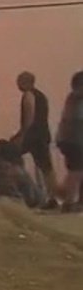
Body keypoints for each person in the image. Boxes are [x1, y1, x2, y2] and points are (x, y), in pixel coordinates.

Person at [11, 71, 60, 210]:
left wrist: (21, 135)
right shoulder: (41, 95)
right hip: (43, 134)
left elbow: (29, 117)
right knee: (46, 167)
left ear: (25, 82)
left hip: (33, 136)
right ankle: (52, 197)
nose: (17, 84)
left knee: (10, 155)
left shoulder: (28, 95)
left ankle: (24, 191)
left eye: (19, 81)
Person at [0, 139, 45, 208]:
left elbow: (31, 198)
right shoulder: (19, 171)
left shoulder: (1, 170)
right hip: (30, 200)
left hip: (24, 202)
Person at [56, 70, 83, 213]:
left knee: (76, 170)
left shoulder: (72, 99)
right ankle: (68, 201)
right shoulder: (76, 99)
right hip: (75, 140)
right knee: (76, 171)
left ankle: (73, 200)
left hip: (69, 140)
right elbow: (78, 121)